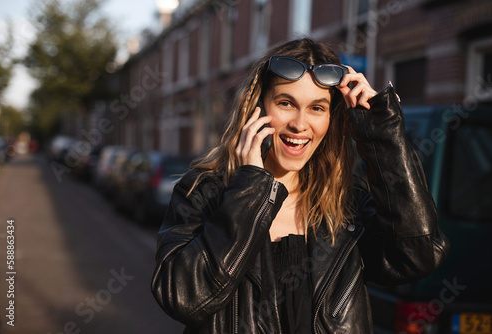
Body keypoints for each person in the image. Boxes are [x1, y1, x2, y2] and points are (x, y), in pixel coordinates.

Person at [151, 38, 449, 333]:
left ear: (331, 117)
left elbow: (418, 257)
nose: (299, 124)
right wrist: (249, 191)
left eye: (317, 108)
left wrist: (383, 137)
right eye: (285, 103)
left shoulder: (347, 205)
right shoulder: (204, 193)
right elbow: (184, 300)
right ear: (257, 107)